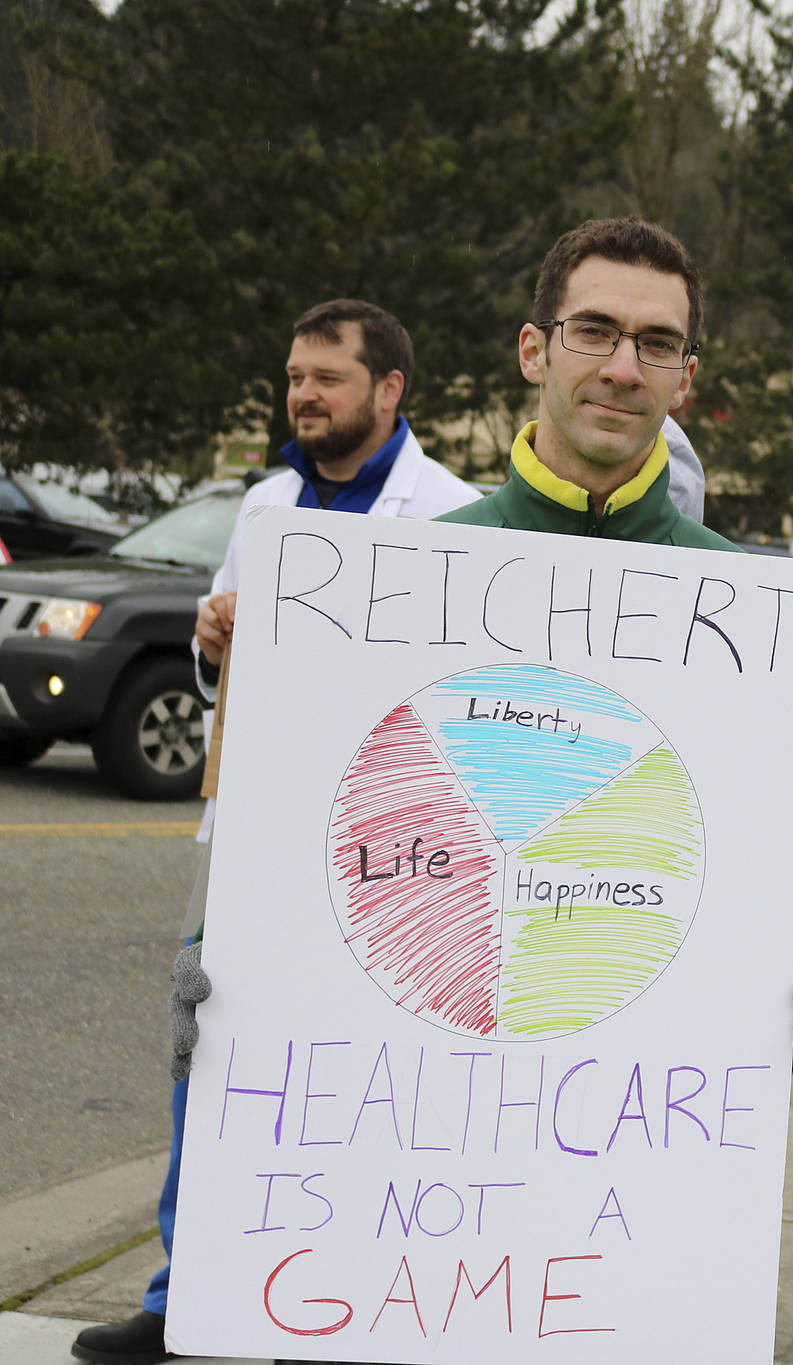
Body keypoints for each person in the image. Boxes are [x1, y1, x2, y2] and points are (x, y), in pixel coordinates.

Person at [72, 300, 480, 1365]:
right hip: (251, 837)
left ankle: (331, 1311)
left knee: (355, 1087)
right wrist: (213, 640)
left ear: (389, 391)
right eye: (295, 377)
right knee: (210, 1061)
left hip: (380, 849)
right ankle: (180, 1303)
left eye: (326, 378)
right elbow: (222, 660)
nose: (303, 395)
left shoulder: (453, 515)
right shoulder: (265, 505)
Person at [436, 215, 793, 1060]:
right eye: (593, 331)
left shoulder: (759, 617)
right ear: (534, 350)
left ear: (685, 379)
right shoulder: (415, 576)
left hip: (654, 1094)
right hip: (426, 1077)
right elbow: (293, 827)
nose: (623, 370)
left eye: (658, 343)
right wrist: (219, 955)